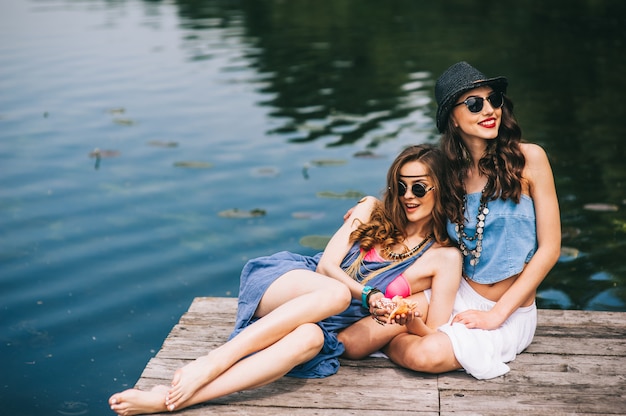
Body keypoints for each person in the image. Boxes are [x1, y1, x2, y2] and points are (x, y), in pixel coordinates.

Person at [108, 144, 462, 415]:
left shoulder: (444, 257)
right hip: (294, 284)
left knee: (308, 339)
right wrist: (369, 295)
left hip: (323, 323)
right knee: (337, 293)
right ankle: (211, 361)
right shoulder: (371, 209)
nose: (407, 196)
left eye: (419, 188)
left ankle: (169, 402)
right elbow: (326, 266)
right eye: (401, 186)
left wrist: (406, 318)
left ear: (440, 190)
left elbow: (435, 332)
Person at [381, 61, 561, 379]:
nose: (489, 110)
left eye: (494, 99)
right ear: (453, 116)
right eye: (475, 104)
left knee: (427, 354)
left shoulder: (530, 159)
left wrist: (496, 315)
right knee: (359, 337)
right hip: (455, 292)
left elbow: (550, 250)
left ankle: (405, 341)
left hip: (508, 312)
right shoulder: (450, 176)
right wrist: (368, 206)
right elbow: (412, 211)